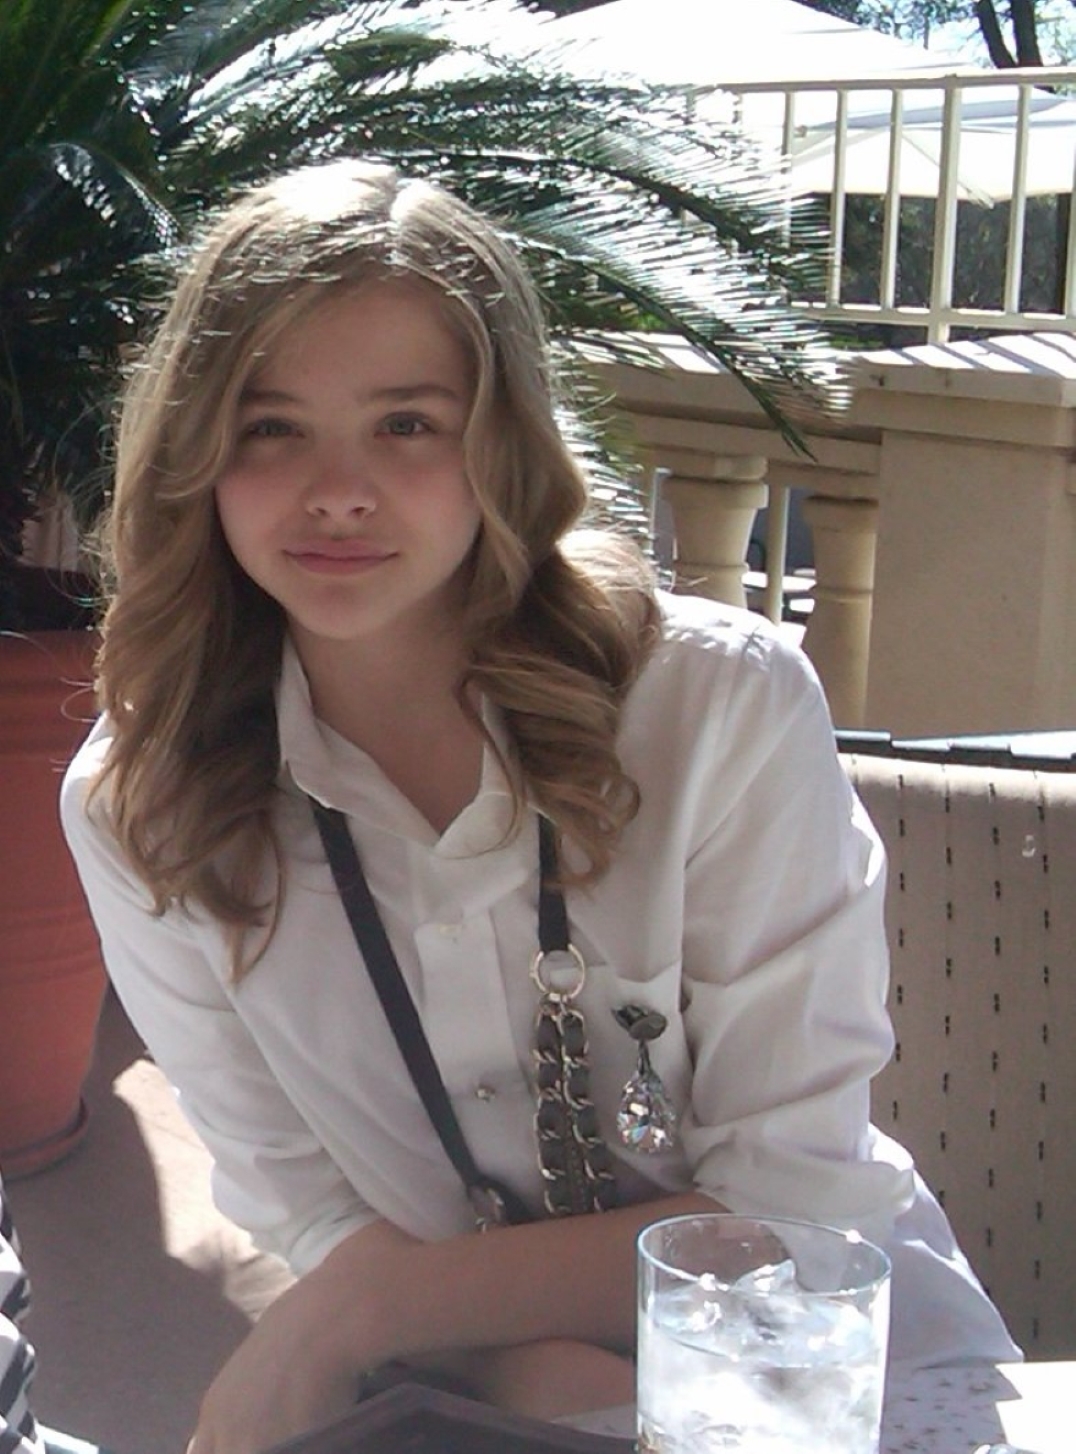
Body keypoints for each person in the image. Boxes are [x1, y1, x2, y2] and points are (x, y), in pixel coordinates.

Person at [61, 159, 1018, 1454]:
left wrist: (364, 1315)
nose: (335, 489)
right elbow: (303, 1199)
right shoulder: (143, 803)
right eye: (270, 427)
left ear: (502, 442)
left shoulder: (715, 706)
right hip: (455, 1380)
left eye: (407, 423)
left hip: (814, 1370)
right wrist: (512, 1365)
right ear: (195, 455)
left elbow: (793, 1213)